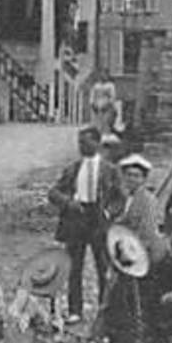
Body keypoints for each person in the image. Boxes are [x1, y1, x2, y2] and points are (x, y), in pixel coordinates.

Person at [46, 126, 122, 323]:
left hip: (98, 219)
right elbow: (53, 192)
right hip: (77, 218)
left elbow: (119, 198)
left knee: (103, 266)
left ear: (97, 143)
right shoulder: (72, 169)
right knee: (74, 267)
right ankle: (75, 310)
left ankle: (105, 310)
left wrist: (108, 212)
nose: (81, 146)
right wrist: (68, 202)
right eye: (79, 143)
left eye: (86, 142)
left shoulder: (110, 170)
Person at [93, 226, 149, 343]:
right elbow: (105, 305)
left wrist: (136, 334)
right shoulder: (112, 278)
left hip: (126, 332)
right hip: (114, 329)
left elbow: (134, 311)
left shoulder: (128, 282)